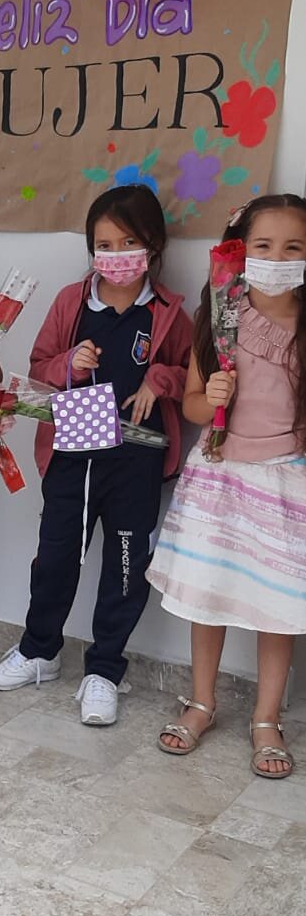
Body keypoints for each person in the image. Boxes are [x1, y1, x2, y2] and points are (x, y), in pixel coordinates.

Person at [0, 182, 192, 726]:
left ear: (152, 245)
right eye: (105, 243)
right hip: (74, 451)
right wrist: (70, 367)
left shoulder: (170, 312)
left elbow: (192, 372)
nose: (117, 255)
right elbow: (38, 369)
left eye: (129, 241)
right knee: (55, 557)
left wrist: (161, 379)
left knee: (127, 564)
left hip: (138, 460)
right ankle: (38, 651)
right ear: (91, 248)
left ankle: (104, 670)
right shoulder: (70, 302)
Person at [149, 194, 306, 779]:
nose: (279, 257)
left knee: (279, 606)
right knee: (205, 595)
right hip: (221, 478)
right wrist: (207, 398)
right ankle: (202, 702)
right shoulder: (223, 312)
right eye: (264, 246)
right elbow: (190, 402)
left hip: (287, 483)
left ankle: (267, 719)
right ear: (241, 250)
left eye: (294, 248)